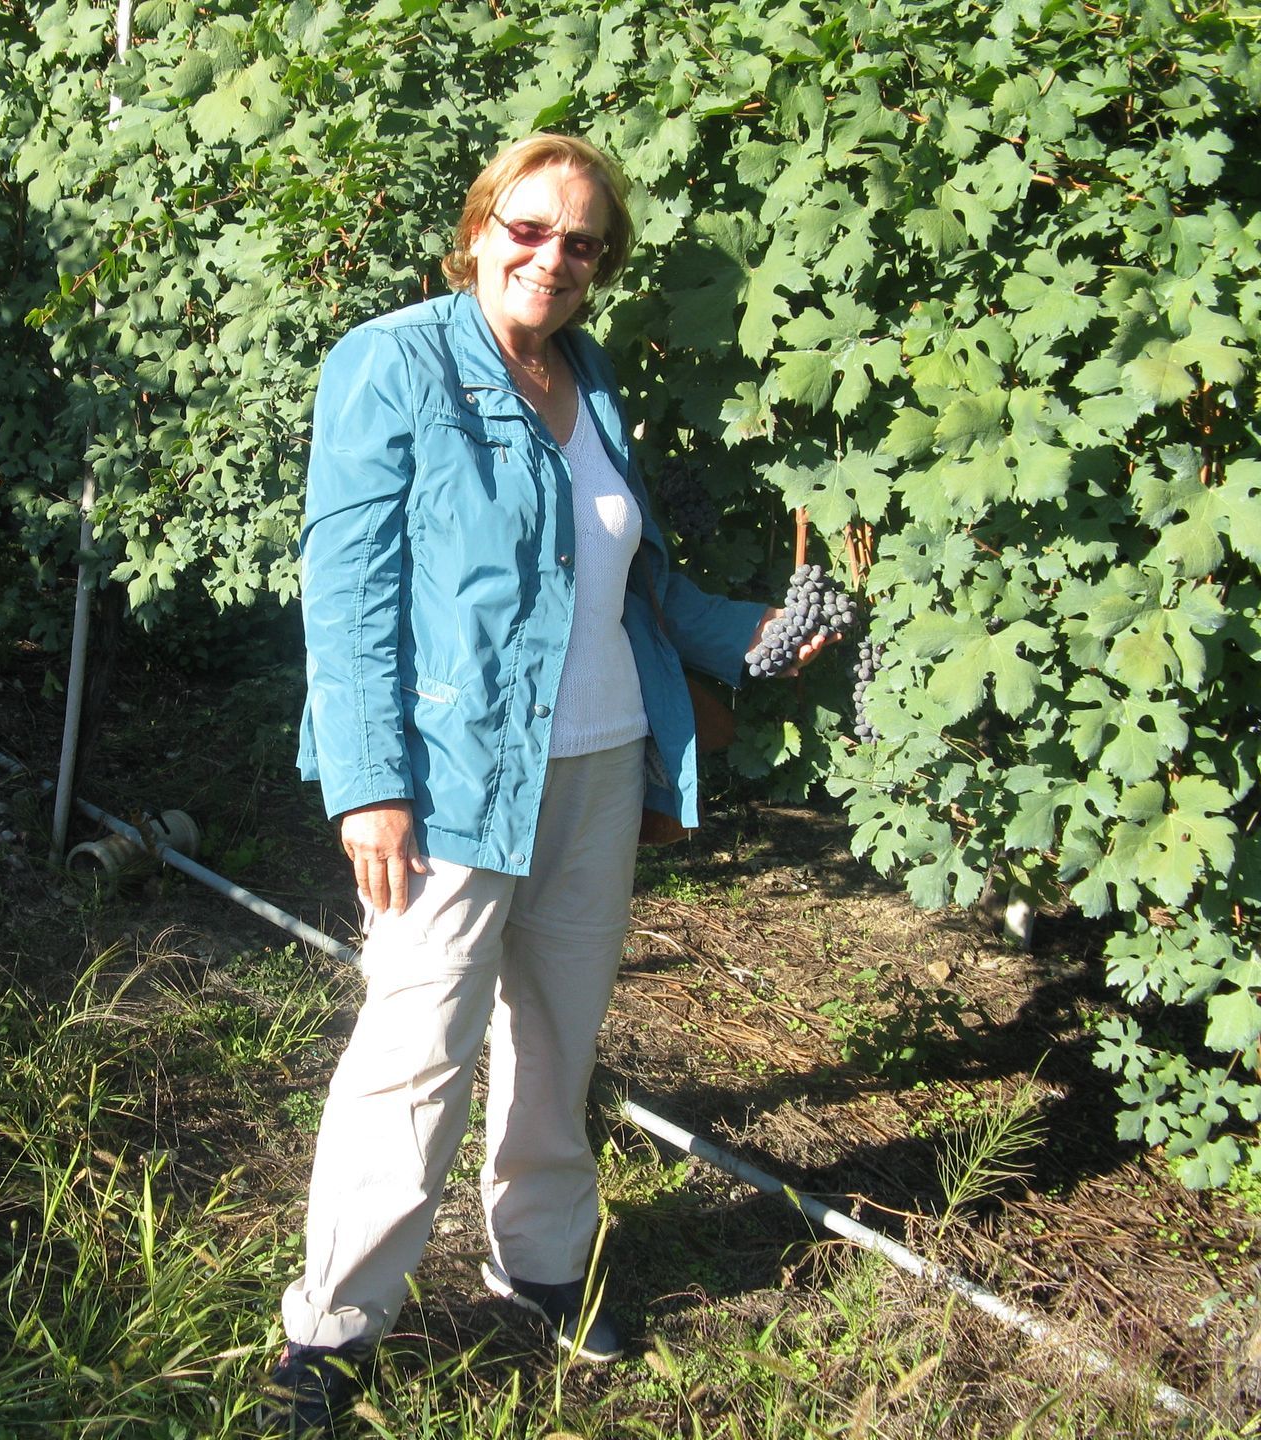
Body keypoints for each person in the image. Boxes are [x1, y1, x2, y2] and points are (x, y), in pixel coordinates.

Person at [266, 133, 832, 1433]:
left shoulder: (590, 374)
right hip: (453, 777)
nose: (551, 258)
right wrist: (369, 784)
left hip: (595, 765)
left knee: (556, 1043)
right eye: (529, 228)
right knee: (414, 1059)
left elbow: (638, 583)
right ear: (478, 229)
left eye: (581, 243)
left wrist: (763, 636)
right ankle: (334, 1334)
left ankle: (538, 1266)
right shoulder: (396, 364)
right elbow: (346, 592)